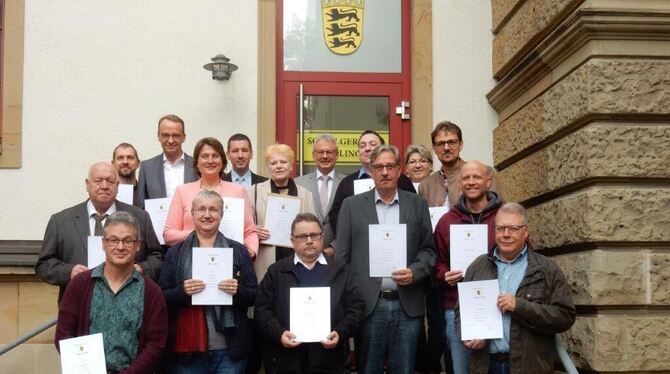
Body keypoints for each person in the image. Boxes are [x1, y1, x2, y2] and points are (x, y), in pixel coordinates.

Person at [334, 144, 436, 374]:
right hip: (369, 304)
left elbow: (428, 251)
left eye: (390, 166)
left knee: (405, 368)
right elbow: (342, 258)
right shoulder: (352, 206)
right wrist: (350, 299)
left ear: (400, 170)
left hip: (407, 302)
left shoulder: (417, 204)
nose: (385, 172)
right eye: (378, 167)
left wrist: (415, 272)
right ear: (370, 170)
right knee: (368, 368)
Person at [458, 203, 576, 373]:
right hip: (486, 365)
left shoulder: (546, 269)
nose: (506, 234)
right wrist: (469, 336)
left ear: (526, 231)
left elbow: (565, 316)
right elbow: (460, 312)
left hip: (529, 366)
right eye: (501, 228)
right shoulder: (477, 267)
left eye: (513, 228)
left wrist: (519, 306)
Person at [55, 211, 168, 374]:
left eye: (128, 241)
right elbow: (63, 334)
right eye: (113, 240)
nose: (120, 247)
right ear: (103, 243)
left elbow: (156, 344)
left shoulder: (152, 292)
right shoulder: (79, 285)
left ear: (138, 245)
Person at [159, 190, 257, 373]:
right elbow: (161, 297)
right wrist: (182, 292)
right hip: (187, 350)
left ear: (221, 214)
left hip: (229, 349)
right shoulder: (175, 253)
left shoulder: (238, 250)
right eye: (201, 209)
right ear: (192, 214)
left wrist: (238, 291)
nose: (207, 215)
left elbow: (254, 295)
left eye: (213, 209)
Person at [36, 162, 163, 302]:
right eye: (98, 181)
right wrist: (69, 272)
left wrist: (142, 269)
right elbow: (44, 265)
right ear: (87, 184)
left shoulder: (139, 217)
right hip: (79, 305)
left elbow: (157, 257)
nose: (104, 186)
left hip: (129, 303)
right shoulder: (61, 221)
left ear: (117, 185)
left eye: (110, 181)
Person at [255, 213, 365, 372]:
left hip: (329, 361)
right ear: (292, 240)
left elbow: (357, 308)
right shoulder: (277, 271)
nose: (309, 240)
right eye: (302, 236)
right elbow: (261, 309)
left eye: (314, 235)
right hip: (286, 362)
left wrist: (339, 333)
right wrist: (280, 334)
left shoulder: (339, 270)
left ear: (322, 237)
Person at [433, 161, 503, 374]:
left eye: (477, 177)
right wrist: (444, 274)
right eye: (466, 178)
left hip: (498, 306)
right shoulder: (446, 222)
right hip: (456, 307)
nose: (471, 182)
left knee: (498, 367)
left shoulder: (504, 216)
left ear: (488, 182)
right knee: (462, 369)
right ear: (460, 184)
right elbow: (436, 262)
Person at [164, 137, 259, 259]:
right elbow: (168, 234)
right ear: (196, 162)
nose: (210, 160)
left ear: (223, 161)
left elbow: (250, 231)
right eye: (204, 156)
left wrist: (251, 251)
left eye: (215, 156)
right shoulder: (182, 191)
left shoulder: (238, 191)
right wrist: (202, 234)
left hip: (230, 259)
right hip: (189, 259)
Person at [328, 130, 416, 238]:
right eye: (362, 146)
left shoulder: (401, 180)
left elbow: (413, 212)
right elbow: (335, 216)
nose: (367, 148)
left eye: (373, 144)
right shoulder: (346, 183)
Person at [248, 143, 316, 281]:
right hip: (265, 262)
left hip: (298, 260)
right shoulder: (254, 191)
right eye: (273, 163)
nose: (278, 166)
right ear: (268, 167)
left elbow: (313, 230)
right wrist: (254, 230)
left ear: (291, 166)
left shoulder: (306, 194)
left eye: (283, 162)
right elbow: (245, 228)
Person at [418, 121, 500, 209]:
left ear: (461, 145)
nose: (446, 148)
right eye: (441, 144)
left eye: (451, 142)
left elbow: (498, 211)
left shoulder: (485, 173)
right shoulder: (425, 186)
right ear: (434, 148)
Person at [295, 134, 345, 256]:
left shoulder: (347, 184)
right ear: (313, 155)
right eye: (320, 152)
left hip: (338, 256)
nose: (324, 156)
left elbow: (352, 223)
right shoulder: (298, 183)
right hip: (305, 255)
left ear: (337, 155)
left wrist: (334, 248)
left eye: (329, 152)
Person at [136, 114, 197, 208]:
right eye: (165, 135)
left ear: (183, 137)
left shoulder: (197, 165)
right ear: (158, 136)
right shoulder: (147, 168)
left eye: (175, 135)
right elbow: (141, 207)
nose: (170, 140)